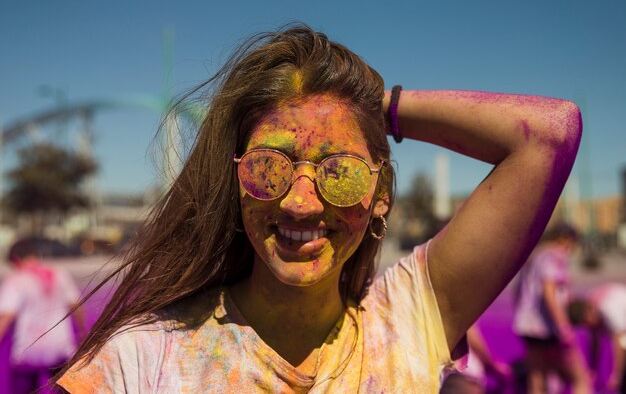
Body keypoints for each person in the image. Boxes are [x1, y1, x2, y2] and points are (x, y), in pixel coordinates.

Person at [55, 24, 582, 393]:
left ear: (380, 198)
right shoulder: (145, 357)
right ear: (234, 182)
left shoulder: (408, 321)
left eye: (342, 172)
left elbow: (550, 133)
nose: (301, 202)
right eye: (268, 166)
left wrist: (376, 108)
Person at [513, 223, 592, 393]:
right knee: (580, 378)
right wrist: (564, 326)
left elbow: (518, 292)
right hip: (547, 326)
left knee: (537, 377)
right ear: (564, 239)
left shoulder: (534, 256)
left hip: (527, 325)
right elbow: (549, 292)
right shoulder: (554, 256)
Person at [0, 239, 85, 394]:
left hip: (28, 352)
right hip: (60, 347)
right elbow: (76, 306)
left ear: (15, 259)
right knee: (64, 389)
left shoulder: (16, 280)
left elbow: (5, 318)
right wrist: (84, 334)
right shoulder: (59, 274)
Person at [569, 283, 626, 393]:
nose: (589, 327)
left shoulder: (608, 309)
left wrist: (616, 374)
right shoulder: (594, 300)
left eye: (586, 323)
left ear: (587, 313)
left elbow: (619, 344)